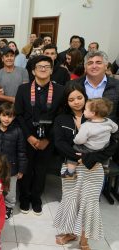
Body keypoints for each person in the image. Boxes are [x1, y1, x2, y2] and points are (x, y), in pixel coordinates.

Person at [53, 82, 117, 250]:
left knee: (89, 203)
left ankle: (84, 238)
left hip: (94, 167)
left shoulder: (101, 117)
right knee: (70, 201)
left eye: (79, 97)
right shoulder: (61, 119)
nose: (76, 102)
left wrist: (90, 158)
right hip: (70, 166)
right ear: (66, 102)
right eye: (71, 99)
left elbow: (113, 144)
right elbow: (59, 143)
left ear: (85, 97)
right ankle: (70, 232)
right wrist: (77, 156)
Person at [15, 55, 64, 214]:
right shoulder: (23, 89)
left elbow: (60, 117)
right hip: (27, 136)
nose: (43, 69)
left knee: (41, 169)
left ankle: (36, 197)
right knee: (26, 168)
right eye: (39, 66)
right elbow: (19, 115)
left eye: (46, 66)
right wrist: (29, 136)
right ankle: (24, 197)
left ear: (51, 70)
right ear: (33, 71)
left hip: (48, 137)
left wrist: (48, 139)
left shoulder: (60, 90)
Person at [0, 102, 27, 220]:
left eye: (10, 116)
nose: (7, 119)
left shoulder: (18, 131)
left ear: (14, 117)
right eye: (4, 115)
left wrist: (21, 169)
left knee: (10, 189)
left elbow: (21, 151)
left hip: (11, 167)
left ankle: (9, 207)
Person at [63, 98, 117, 179]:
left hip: (90, 148)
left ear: (93, 113)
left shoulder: (86, 126)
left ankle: (70, 173)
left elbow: (79, 140)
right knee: (107, 148)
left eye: (85, 109)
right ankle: (105, 167)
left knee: (73, 150)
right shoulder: (108, 121)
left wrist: (75, 140)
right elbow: (115, 129)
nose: (83, 111)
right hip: (103, 146)